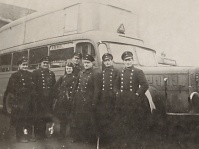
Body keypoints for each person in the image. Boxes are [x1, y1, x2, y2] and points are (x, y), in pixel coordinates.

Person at [114, 51, 150, 148]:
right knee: (123, 122)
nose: (128, 62)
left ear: (133, 60)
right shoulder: (121, 71)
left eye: (129, 60)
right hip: (122, 101)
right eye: (126, 60)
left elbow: (145, 85)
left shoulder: (138, 71)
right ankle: (125, 143)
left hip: (133, 101)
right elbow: (115, 85)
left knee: (134, 123)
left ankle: (134, 144)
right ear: (123, 62)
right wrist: (117, 93)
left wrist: (137, 94)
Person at [72, 54, 102, 143]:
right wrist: (73, 97)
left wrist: (94, 102)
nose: (86, 64)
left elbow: (97, 89)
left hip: (89, 100)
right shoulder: (81, 72)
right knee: (79, 119)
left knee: (89, 120)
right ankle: (79, 137)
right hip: (80, 99)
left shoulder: (96, 73)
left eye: (88, 63)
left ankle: (90, 139)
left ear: (92, 63)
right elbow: (76, 85)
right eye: (85, 63)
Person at [5, 57, 35, 142]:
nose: (25, 66)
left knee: (29, 118)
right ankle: (20, 137)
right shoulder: (15, 75)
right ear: (19, 65)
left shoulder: (30, 75)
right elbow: (10, 89)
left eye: (26, 65)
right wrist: (19, 91)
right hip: (20, 101)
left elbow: (34, 86)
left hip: (29, 100)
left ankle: (28, 136)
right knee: (20, 119)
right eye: (23, 65)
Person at [32, 56, 56, 140]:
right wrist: (35, 97)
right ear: (40, 64)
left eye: (47, 63)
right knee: (38, 117)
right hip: (39, 99)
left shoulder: (51, 74)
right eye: (44, 63)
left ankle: (43, 133)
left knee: (45, 116)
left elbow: (54, 86)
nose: (46, 64)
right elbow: (33, 86)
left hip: (48, 99)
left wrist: (53, 98)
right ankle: (37, 134)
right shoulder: (36, 72)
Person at [97, 53, 119, 145]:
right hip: (103, 99)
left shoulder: (117, 71)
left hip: (113, 99)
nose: (107, 62)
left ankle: (112, 141)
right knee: (103, 119)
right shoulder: (102, 73)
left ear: (112, 60)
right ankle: (104, 140)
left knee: (113, 119)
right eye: (105, 61)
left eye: (109, 60)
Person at [53, 62, 77, 140]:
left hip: (71, 100)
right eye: (67, 68)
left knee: (71, 118)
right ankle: (62, 134)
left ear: (72, 69)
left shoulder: (76, 78)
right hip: (63, 101)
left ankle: (72, 135)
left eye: (70, 68)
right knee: (63, 119)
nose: (68, 70)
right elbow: (55, 87)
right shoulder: (62, 77)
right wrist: (59, 95)